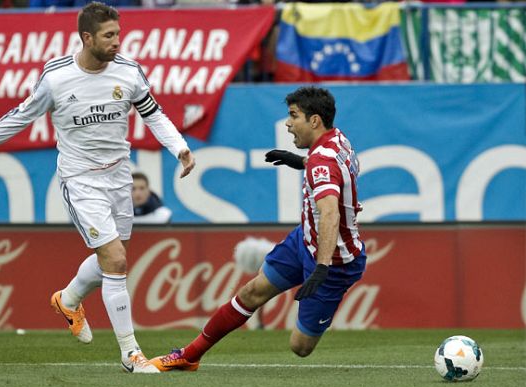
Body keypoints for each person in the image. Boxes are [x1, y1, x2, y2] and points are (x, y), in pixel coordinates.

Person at [0, 2, 195, 374]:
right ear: (86, 37)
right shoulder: (56, 77)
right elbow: (20, 116)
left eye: (119, 34)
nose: (117, 42)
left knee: (113, 257)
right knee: (116, 260)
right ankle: (130, 354)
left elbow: (153, 114)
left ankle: (68, 299)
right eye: (109, 36)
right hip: (80, 178)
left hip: (119, 174)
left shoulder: (129, 72)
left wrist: (180, 148)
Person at [151, 86, 366, 371]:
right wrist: (300, 161)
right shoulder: (338, 140)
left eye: (293, 116)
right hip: (305, 240)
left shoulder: (321, 161)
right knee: (251, 293)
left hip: (334, 260)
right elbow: (331, 170)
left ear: (315, 120)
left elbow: (329, 214)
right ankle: (189, 355)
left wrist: (322, 266)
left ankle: (323, 295)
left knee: (300, 347)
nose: (288, 123)